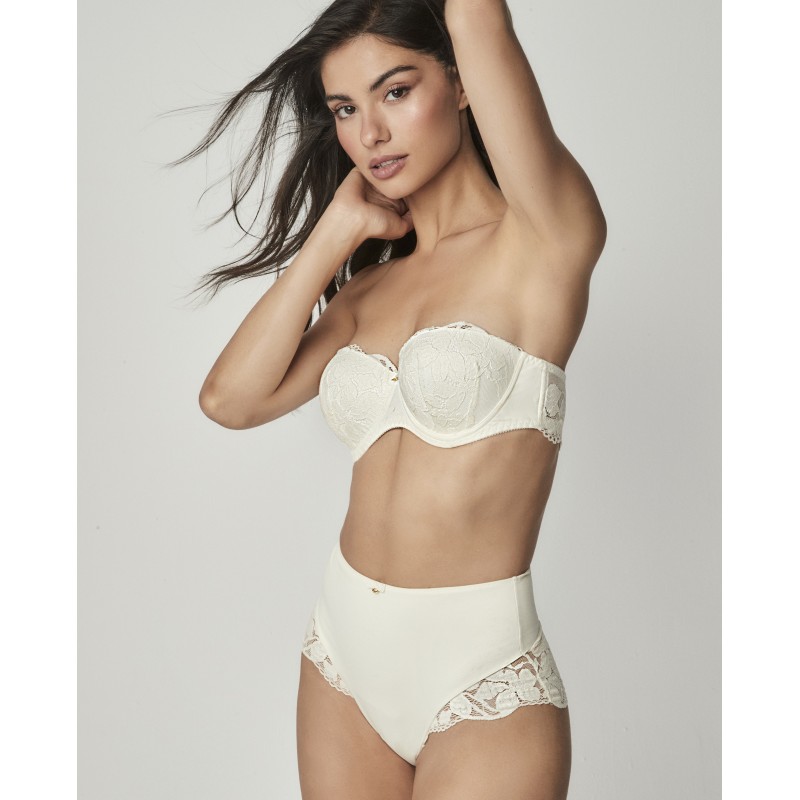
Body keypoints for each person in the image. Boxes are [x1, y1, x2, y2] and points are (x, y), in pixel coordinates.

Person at [175, 0, 605, 797]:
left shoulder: (543, 240)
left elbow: (477, 17)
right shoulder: (368, 292)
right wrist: (336, 231)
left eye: (396, 91)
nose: (370, 132)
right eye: (345, 109)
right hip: (342, 657)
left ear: (462, 83)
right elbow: (229, 401)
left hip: (482, 674)